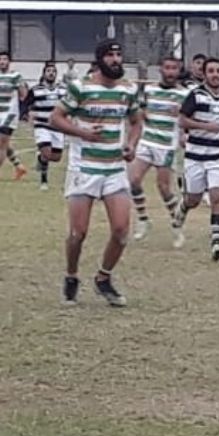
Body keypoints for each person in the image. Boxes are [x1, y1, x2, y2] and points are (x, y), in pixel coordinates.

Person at [49, 39, 142, 307]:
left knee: (122, 230)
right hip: (84, 167)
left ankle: (104, 278)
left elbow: (136, 122)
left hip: (114, 168)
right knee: (78, 233)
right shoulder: (81, 87)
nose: (116, 60)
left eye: (119, 55)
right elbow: (56, 118)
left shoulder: (128, 90)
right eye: (110, 55)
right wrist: (83, 133)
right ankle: (71, 276)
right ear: (100, 60)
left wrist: (131, 145)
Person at [172, 57, 219, 262]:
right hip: (195, 154)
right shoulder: (195, 95)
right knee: (193, 199)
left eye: (218, 71)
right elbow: (182, 119)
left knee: (216, 196)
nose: (215, 75)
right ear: (204, 74)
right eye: (211, 71)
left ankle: (217, 242)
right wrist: (205, 126)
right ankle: (183, 207)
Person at [128, 56, 190, 246]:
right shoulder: (149, 89)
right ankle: (144, 219)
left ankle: (176, 225)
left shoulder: (185, 94)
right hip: (147, 141)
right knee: (133, 180)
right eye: (167, 68)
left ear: (179, 72)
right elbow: (140, 112)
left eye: (174, 68)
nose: (171, 72)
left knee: (164, 188)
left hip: (167, 145)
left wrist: (184, 132)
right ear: (161, 70)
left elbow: (188, 119)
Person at [25, 62, 67, 191]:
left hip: (57, 126)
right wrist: (27, 116)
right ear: (44, 74)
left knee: (56, 157)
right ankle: (44, 180)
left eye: (53, 71)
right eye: (48, 71)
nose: (51, 73)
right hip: (41, 125)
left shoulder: (63, 90)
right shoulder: (36, 90)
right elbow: (26, 104)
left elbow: (69, 105)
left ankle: (40, 158)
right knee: (47, 153)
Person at [0, 51, 29, 179]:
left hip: (9, 114)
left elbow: (24, 95)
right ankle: (19, 167)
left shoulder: (15, 76)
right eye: (0, 59)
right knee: (4, 144)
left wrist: (25, 111)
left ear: (9, 62)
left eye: (5, 59)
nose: (2, 62)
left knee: (1, 143)